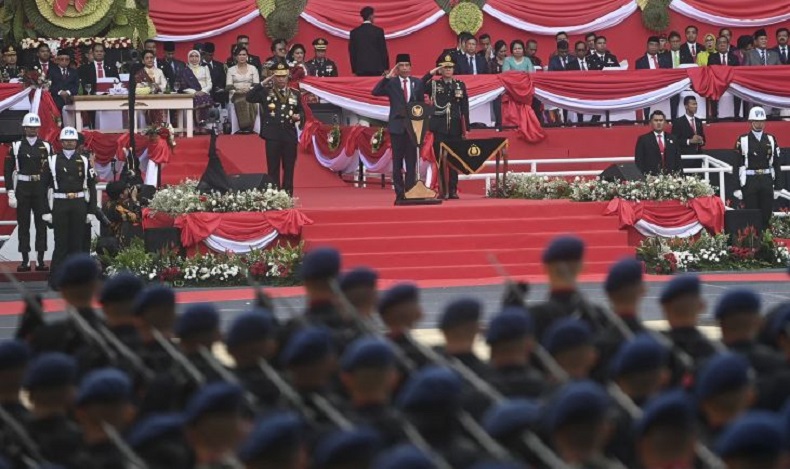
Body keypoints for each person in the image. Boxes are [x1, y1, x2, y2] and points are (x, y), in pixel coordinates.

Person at [43, 127, 97, 280]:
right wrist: (46, 211)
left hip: (79, 204)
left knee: (77, 244)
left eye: (72, 140)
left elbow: (92, 186)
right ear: (60, 142)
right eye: (65, 140)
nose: (69, 143)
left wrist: (91, 210)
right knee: (60, 244)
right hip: (59, 203)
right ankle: (56, 278)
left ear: (76, 142)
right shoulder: (52, 160)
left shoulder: (84, 161)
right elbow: (42, 187)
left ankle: (77, 279)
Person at [372, 54, 426, 202]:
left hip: (412, 129)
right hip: (397, 127)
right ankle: (399, 193)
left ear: (411, 67)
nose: (405, 68)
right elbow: (375, 92)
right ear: (397, 68)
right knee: (397, 163)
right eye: (401, 65)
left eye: (407, 65)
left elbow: (420, 105)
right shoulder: (392, 83)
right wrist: (388, 76)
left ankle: (410, 192)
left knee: (411, 162)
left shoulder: (417, 83)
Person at [246, 62, 304, 195]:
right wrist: (262, 84)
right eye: (277, 76)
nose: (281, 79)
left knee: (289, 167)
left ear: (288, 76)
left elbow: (302, 111)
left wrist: (298, 116)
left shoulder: (295, 93)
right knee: (273, 168)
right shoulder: (266, 92)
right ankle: (274, 195)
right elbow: (249, 97)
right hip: (272, 135)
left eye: (283, 76)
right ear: (273, 77)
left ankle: (288, 195)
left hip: (289, 135)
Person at [5, 113, 52, 272]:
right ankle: (24, 260)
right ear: (24, 128)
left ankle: (40, 260)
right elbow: (7, 171)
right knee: (23, 225)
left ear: (38, 128)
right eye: (29, 127)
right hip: (23, 188)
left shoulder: (46, 146)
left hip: (40, 188)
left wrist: (51, 191)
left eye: (35, 127)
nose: (32, 130)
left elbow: (51, 171)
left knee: (42, 225)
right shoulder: (16, 145)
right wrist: (10, 192)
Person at [422, 54, 469, 199]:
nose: (448, 70)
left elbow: (464, 107)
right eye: (445, 67)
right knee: (440, 160)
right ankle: (442, 190)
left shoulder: (460, 84)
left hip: (455, 127)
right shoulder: (434, 84)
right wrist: (432, 72)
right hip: (439, 127)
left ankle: (453, 190)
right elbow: (420, 85)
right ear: (440, 70)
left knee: (454, 160)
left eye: (450, 67)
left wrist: (466, 127)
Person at [733, 106, 782, 228]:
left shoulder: (771, 139)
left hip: (766, 179)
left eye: (762, 121)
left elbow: (776, 163)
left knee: (766, 215)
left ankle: (766, 244)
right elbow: (737, 164)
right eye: (757, 121)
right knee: (752, 215)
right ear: (751, 122)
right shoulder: (742, 140)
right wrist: (736, 187)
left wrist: (778, 186)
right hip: (750, 181)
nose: (760, 124)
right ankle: (753, 244)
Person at [635, 110, 682, 175]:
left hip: (670, 179)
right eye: (656, 120)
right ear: (650, 123)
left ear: (665, 122)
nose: (659, 123)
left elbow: (678, 161)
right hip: (651, 179)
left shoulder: (673, 139)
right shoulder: (643, 140)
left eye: (661, 120)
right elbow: (639, 162)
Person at [226, 47, 260, 134]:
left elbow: (256, 84)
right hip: (236, 94)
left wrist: (249, 89)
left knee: (248, 98)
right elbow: (228, 86)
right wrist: (237, 91)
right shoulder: (231, 70)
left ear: (247, 56)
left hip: (251, 93)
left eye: (244, 55)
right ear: (236, 57)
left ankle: (248, 126)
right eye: (239, 55)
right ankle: (245, 125)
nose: (242, 57)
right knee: (241, 99)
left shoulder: (253, 68)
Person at [349, 6, 389, 77]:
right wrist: (386, 68)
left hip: (360, 68)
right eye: (373, 15)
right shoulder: (378, 31)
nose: (374, 17)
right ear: (370, 16)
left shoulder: (354, 32)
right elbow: (383, 50)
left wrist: (354, 69)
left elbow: (352, 52)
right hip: (377, 68)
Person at [707, 36, 740, 119]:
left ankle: (736, 115)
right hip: (717, 83)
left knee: (739, 89)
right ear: (716, 46)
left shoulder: (734, 57)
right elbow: (711, 71)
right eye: (720, 43)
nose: (722, 45)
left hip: (732, 83)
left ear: (728, 45)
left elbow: (737, 72)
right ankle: (714, 116)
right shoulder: (712, 57)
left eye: (724, 42)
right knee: (713, 88)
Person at [180, 50, 214, 131]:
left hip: (204, 92)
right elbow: (183, 86)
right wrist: (194, 92)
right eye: (192, 56)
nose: (194, 59)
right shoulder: (185, 71)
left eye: (196, 56)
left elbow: (209, 84)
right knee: (198, 99)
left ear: (199, 58)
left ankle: (203, 126)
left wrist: (203, 91)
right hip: (191, 94)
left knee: (203, 99)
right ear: (188, 58)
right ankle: (197, 126)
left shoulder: (205, 68)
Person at [135, 50, 167, 124]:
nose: (149, 60)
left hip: (159, 100)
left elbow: (165, 85)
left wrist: (158, 87)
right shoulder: (139, 73)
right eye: (147, 58)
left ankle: (161, 129)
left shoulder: (159, 71)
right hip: (144, 100)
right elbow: (137, 87)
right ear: (143, 61)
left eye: (151, 57)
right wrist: (148, 86)